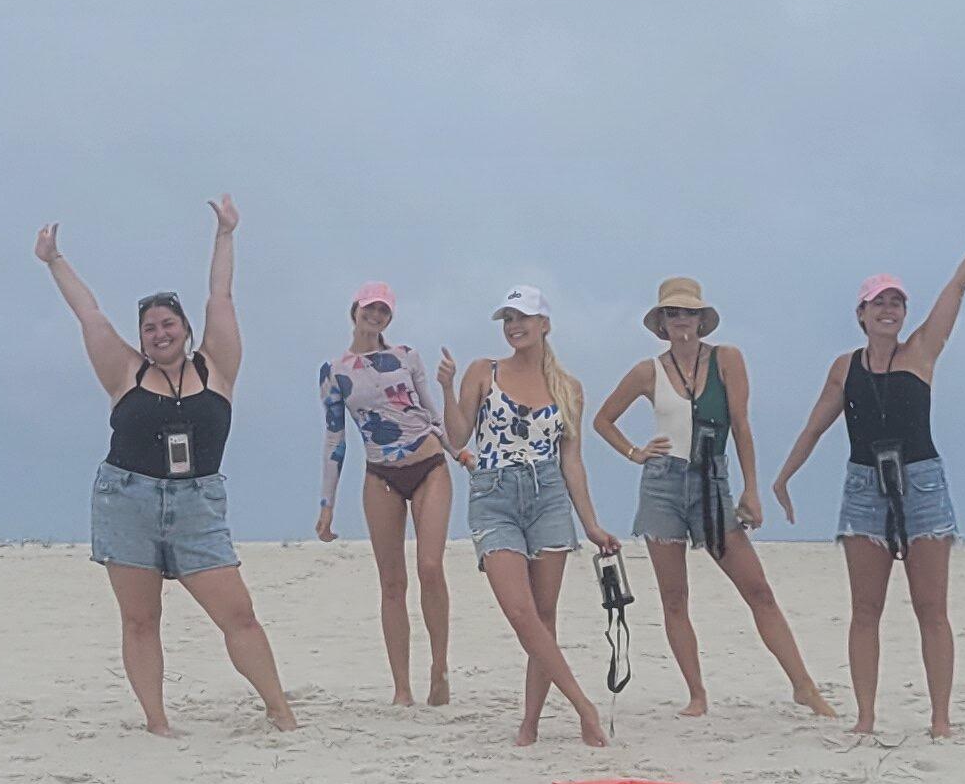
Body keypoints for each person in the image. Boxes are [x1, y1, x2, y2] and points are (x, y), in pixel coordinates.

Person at [33, 198, 298, 737]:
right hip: (126, 498)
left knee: (238, 615)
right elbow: (90, 315)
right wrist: (54, 260)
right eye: (150, 327)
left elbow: (220, 296)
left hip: (197, 503)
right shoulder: (123, 371)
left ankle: (280, 710)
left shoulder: (217, 367)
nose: (159, 334)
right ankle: (157, 722)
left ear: (185, 328)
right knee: (140, 619)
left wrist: (225, 234)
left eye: (168, 323)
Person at [772, 206, 965, 740]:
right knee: (865, 610)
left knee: (930, 608)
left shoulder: (922, 350)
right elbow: (814, 427)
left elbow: (957, 288)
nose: (889, 310)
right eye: (879, 303)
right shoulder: (844, 367)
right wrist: (783, 479)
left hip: (922, 483)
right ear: (862, 314)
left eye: (897, 302)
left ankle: (940, 721)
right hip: (863, 487)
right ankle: (865, 718)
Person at [590, 277, 836, 720]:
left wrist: (752, 488)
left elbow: (741, 425)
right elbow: (602, 419)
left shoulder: (728, 359)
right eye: (673, 313)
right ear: (661, 322)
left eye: (688, 312)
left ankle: (804, 686)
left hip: (712, 481)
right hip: (663, 483)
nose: (681, 320)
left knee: (758, 589)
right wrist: (635, 452)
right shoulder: (648, 371)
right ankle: (697, 694)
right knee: (674, 598)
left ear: (702, 319)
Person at [439, 287, 621, 748]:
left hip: (549, 497)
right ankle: (585, 707)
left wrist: (592, 524)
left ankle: (530, 722)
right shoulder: (484, 371)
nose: (514, 326)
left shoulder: (569, 387)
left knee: (544, 613)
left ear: (544, 325)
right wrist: (446, 386)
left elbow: (572, 461)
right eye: (508, 319)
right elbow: (458, 433)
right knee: (520, 612)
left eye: (523, 317)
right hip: (494, 493)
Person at [315, 283, 453, 707]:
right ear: (355, 310)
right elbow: (335, 438)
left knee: (429, 566)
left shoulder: (406, 356)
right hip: (381, 475)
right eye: (370, 309)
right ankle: (402, 688)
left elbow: (428, 410)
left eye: (384, 312)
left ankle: (439, 668)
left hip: (428, 465)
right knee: (392, 582)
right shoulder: (335, 371)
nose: (376, 317)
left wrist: (457, 449)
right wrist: (327, 505)